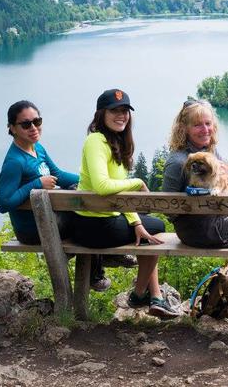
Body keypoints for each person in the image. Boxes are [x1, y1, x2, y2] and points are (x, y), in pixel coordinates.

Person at [70, 89, 179, 318]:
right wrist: (137, 181)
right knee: (157, 227)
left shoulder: (115, 143)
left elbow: (119, 194)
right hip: (91, 226)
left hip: (104, 220)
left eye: (125, 111)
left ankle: (152, 296)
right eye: (114, 111)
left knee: (150, 229)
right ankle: (142, 295)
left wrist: (136, 222)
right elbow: (101, 186)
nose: (121, 116)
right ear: (101, 114)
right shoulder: (96, 141)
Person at [0, 100, 112, 292]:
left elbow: (58, 175)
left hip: (49, 220)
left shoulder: (37, 148)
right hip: (32, 230)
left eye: (37, 121)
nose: (33, 128)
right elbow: (3, 202)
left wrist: (93, 181)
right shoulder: (14, 162)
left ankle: (102, 261)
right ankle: (97, 272)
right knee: (87, 218)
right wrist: (36, 184)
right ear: (12, 128)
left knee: (84, 203)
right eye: (26, 124)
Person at [162, 99, 228, 312]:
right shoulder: (179, 161)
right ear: (184, 128)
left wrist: (221, 168)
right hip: (200, 231)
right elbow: (168, 208)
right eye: (198, 124)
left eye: (208, 124)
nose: (205, 129)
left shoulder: (207, 152)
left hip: (199, 229)